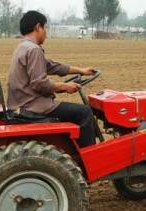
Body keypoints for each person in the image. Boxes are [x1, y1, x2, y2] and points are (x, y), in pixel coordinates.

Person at [7, 10, 97, 147]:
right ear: (38, 27)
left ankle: (75, 150)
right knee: (85, 113)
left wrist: (81, 71)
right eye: (45, 27)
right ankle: (90, 159)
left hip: (22, 102)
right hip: (34, 106)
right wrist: (65, 87)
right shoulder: (34, 50)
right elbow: (39, 83)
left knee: (76, 111)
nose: (46, 32)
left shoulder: (23, 47)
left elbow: (52, 66)